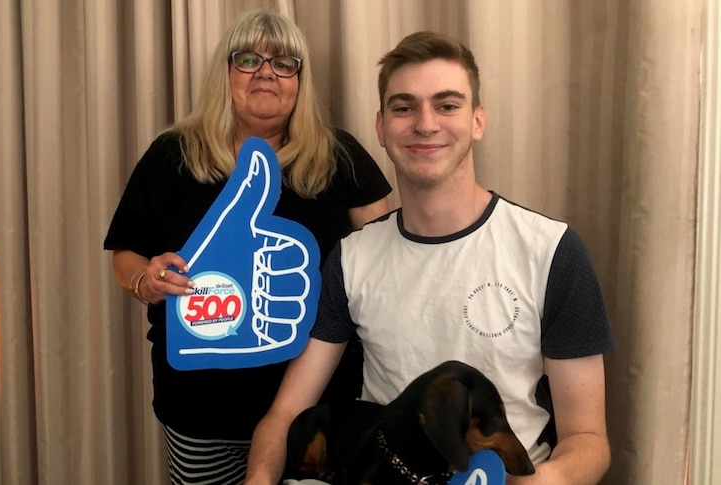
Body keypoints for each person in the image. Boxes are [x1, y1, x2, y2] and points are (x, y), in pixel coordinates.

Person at [245, 31, 615, 485]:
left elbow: (588, 439)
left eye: (447, 105)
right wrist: (259, 480)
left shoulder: (552, 251)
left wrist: (540, 482)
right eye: (404, 107)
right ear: (381, 127)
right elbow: (287, 412)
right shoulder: (350, 258)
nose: (425, 124)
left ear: (478, 121)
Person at [103, 9, 392, 485]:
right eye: (248, 59)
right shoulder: (173, 154)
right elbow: (125, 253)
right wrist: (144, 279)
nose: (265, 73)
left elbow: (388, 258)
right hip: (201, 407)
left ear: (301, 79)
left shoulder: (339, 156)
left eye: (283, 63)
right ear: (226, 72)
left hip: (317, 409)